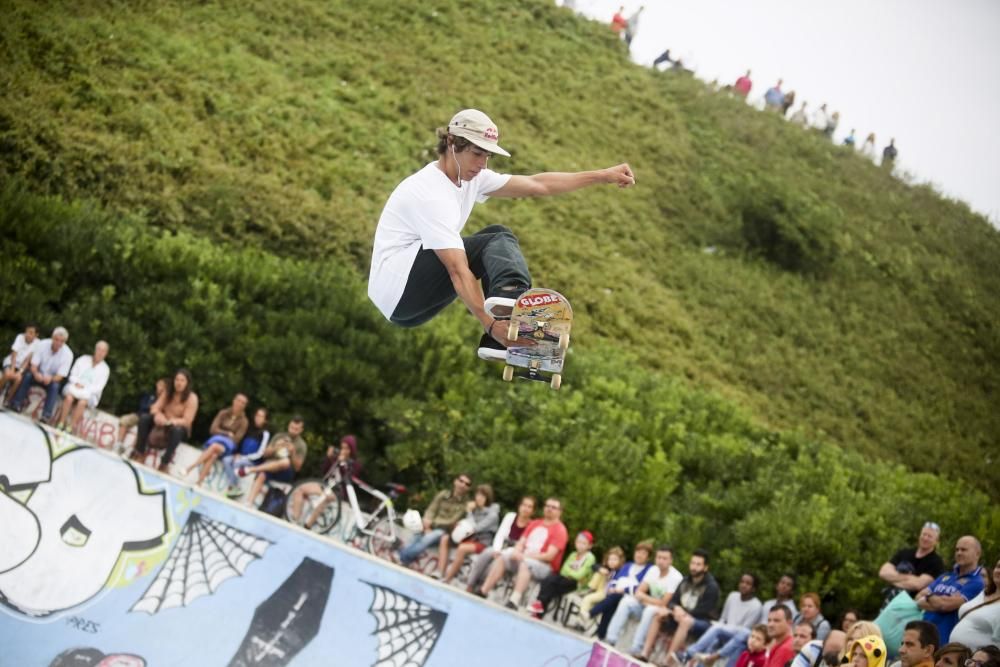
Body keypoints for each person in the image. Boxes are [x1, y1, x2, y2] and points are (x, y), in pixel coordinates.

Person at [367, 109, 635, 357]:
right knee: (497, 239)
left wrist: (603, 175)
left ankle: (505, 328)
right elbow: (457, 270)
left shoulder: (470, 178)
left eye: (487, 156)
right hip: (400, 288)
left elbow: (536, 185)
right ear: (452, 143)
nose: (483, 164)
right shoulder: (430, 194)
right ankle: (513, 306)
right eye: (476, 153)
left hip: (407, 308)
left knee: (494, 237)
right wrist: (488, 323)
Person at [480, 497, 569, 611]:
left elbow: (549, 556)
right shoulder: (535, 523)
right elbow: (521, 542)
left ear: (560, 511)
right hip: (524, 557)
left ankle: (514, 600)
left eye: (554, 507)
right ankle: (484, 590)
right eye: (547, 506)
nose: (549, 509)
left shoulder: (560, 530)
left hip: (544, 567)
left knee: (526, 564)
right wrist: (516, 551)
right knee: (504, 556)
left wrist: (524, 556)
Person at [637, 548, 721, 664]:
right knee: (659, 614)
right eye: (692, 563)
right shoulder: (685, 581)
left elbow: (705, 610)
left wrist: (682, 612)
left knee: (685, 621)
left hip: (701, 621)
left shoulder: (711, 587)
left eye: (698, 564)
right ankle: (644, 654)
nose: (694, 567)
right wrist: (675, 609)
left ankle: (668, 661)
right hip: (680, 614)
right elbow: (672, 601)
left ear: (705, 567)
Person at [604, 544, 683, 650]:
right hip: (647, 605)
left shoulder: (675, 577)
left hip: (663, 612)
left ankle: (636, 647)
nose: (661, 561)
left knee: (650, 610)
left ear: (671, 560)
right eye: (659, 557)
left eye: (664, 558)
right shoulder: (653, 570)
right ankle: (611, 639)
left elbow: (664, 603)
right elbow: (638, 592)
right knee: (627, 601)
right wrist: (648, 600)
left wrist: (645, 599)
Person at [916, 536, 986, 643]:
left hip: (945, 640)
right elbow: (918, 598)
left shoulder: (977, 582)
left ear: (977, 554)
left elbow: (946, 605)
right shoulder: (945, 576)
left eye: (964, 550)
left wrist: (929, 596)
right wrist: (940, 602)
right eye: (957, 549)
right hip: (922, 636)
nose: (959, 553)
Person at [686, 573, 764, 667]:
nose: (744, 585)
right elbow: (723, 618)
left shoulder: (756, 606)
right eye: (742, 582)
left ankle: (689, 653)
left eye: (748, 583)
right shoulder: (732, 596)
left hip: (739, 637)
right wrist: (721, 628)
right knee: (713, 638)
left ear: (753, 588)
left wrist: (722, 628)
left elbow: (744, 631)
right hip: (724, 632)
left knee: (720, 631)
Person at [129, 368, 199, 473]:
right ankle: (139, 452)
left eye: (182, 380)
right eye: (177, 380)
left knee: (177, 431)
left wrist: (172, 421)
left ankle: (164, 463)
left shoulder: (192, 398)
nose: (178, 383)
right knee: (144, 418)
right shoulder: (168, 392)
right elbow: (155, 407)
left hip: (178, 427)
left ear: (187, 383)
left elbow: (187, 420)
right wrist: (158, 415)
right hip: (163, 422)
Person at [466, 495, 537, 593]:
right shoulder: (510, 516)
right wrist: (497, 550)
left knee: (497, 563)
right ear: (519, 506)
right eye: (524, 505)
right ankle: (470, 584)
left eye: (530, 507)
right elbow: (500, 534)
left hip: (512, 553)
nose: (526, 509)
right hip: (500, 546)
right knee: (486, 553)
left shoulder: (532, 525)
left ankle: (482, 588)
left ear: (533, 511)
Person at [397, 474, 472, 566]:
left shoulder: (464, 505)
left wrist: (431, 525)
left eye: (467, 484)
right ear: (455, 481)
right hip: (429, 524)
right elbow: (432, 508)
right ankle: (405, 560)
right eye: (461, 481)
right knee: (416, 535)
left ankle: (401, 556)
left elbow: (451, 521)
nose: (463, 485)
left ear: (468, 488)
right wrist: (427, 520)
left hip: (443, 531)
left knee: (427, 539)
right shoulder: (443, 494)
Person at [285, 433, 358, 523]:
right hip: (325, 485)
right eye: (342, 448)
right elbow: (324, 471)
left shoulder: (354, 464)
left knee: (325, 498)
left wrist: (343, 464)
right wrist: (329, 458)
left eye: (346, 449)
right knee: (300, 489)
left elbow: (347, 479)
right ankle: (294, 519)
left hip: (338, 491)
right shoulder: (336, 458)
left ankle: (308, 524)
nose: (343, 451)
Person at [9, 326, 73, 423]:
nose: (58, 343)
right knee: (27, 376)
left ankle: (46, 416)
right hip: (38, 374)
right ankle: (16, 404)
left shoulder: (68, 354)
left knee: (55, 386)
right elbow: (33, 364)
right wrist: (36, 373)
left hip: (51, 379)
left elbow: (61, 376)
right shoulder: (42, 344)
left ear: (64, 342)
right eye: (56, 339)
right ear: (52, 337)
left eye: (61, 341)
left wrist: (50, 378)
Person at [240, 416, 307, 507]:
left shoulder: (301, 445)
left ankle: (252, 469)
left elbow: (297, 468)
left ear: (301, 430)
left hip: (286, 471)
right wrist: (276, 447)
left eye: (296, 429)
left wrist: (293, 452)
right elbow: (265, 454)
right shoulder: (279, 436)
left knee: (285, 462)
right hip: (271, 466)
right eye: (292, 427)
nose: (293, 430)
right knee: (262, 474)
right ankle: (249, 502)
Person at [439, 483, 500, 582]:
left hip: (482, 542)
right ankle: (440, 572)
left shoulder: (493, 515)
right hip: (469, 538)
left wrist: (469, 512)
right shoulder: (476, 509)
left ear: (487, 498)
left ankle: (447, 578)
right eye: (478, 495)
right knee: (445, 538)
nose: (479, 498)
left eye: (482, 496)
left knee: (462, 548)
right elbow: (467, 524)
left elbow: (475, 528)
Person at [184, 393, 249, 485]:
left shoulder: (244, 421)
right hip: (216, 440)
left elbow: (237, 439)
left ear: (244, 406)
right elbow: (213, 429)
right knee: (214, 455)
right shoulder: (223, 413)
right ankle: (199, 482)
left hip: (228, 446)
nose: (239, 404)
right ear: (234, 401)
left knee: (214, 447)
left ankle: (191, 467)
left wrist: (224, 434)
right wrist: (227, 433)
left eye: (243, 403)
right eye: (238, 400)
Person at [528, 530, 597, 618]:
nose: (580, 545)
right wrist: (572, 573)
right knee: (548, 579)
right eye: (578, 542)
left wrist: (570, 573)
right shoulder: (573, 554)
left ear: (589, 546)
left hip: (578, 584)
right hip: (565, 579)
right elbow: (563, 570)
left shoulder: (590, 558)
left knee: (553, 584)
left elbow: (579, 575)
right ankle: (539, 606)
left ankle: (539, 607)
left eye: (584, 543)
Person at [880, 522, 947, 608]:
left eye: (930, 536)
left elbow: (917, 585)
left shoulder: (936, 562)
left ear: (936, 541)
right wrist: (909, 577)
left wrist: (893, 579)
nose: (925, 538)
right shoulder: (904, 553)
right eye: (924, 534)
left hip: (911, 605)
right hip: (889, 600)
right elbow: (883, 572)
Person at [54, 340, 110, 434]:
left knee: (82, 403)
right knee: (68, 398)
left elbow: (99, 387)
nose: (100, 352)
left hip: (90, 394)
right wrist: (76, 383)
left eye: (103, 351)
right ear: (95, 350)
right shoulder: (83, 359)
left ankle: (70, 427)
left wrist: (85, 388)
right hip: (74, 387)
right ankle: (61, 423)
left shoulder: (105, 369)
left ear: (106, 353)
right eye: (99, 349)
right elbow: (72, 374)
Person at [950, 554, 1000, 648]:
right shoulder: (984, 592)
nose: (999, 571)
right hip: (956, 655)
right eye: (998, 567)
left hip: (977, 660)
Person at [222, 407, 271, 498]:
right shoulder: (249, 428)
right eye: (257, 415)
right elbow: (241, 443)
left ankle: (233, 488)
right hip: (241, 456)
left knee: (237, 462)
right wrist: (237, 453)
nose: (258, 418)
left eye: (261, 416)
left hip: (253, 461)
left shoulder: (265, 433)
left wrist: (244, 457)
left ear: (265, 420)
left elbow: (260, 454)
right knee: (226, 460)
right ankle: (234, 486)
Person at [579, 546, 627, 624]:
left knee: (587, 599)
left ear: (620, 561)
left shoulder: (620, 572)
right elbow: (594, 566)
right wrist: (600, 569)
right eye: (610, 559)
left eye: (615, 559)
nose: (612, 561)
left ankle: (583, 619)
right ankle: (590, 590)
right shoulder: (607, 568)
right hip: (599, 589)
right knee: (600, 572)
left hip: (606, 593)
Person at [117, 378, 167, 450]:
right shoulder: (149, 394)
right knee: (125, 420)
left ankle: (131, 450)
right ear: (157, 384)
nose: (161, 388)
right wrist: (151, 407)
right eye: (160, 385)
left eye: (164, 386)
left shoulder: (165, 400)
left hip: (149, 421)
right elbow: (142, 405)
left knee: (143, 430)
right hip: (139, 415)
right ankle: (118, 444)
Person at [0, 323, 39, 405]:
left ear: (36, 335)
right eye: (27, 332)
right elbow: (14, 354)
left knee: (18, 379)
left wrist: (20, 372)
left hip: (22, 366)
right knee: (7, 374)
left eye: (31, 333)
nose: (28, 334)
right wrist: (12, 369)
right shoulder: (20, 337)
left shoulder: (37, 343)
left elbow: (28, 360)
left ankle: (7, 400)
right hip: (11, 362)